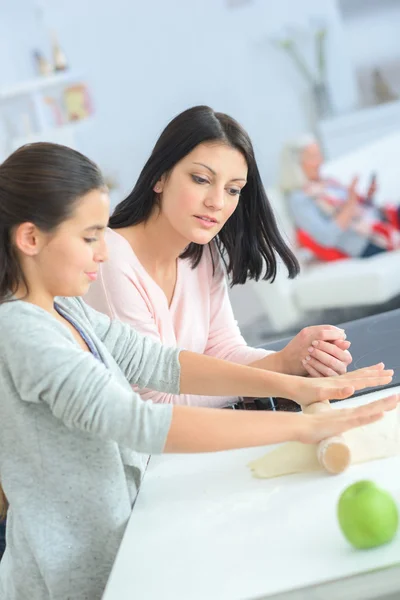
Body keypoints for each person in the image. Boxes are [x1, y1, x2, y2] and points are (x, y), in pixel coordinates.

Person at [0, 142, 395, 599]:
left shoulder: (65, 308)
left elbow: (156, 361)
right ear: (30, 239)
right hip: (70, 574)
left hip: (123, 541)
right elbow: (138, 421)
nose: (102, 252)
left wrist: (295, 385)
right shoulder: (20, 331)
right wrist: (299, 427)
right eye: (89, 237)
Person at [85, 106, 352, 408]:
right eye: (200, 179)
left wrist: (302, 361)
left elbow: (223, 351)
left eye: (233, 189)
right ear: (159, 177)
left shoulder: (200, 248)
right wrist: (280, 369)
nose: (217, 202)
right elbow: (156, 403)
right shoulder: (109, 259)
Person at [279, 135, 400, 261]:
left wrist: (367, 198)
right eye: (313, 157)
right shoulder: (299, 199)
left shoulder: (327, 182)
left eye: (319, 155)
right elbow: (326, 237)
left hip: (381, 219)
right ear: (296, 165)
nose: (320, 161)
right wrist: (350, 203)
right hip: (365, 242)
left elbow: (360, 212)